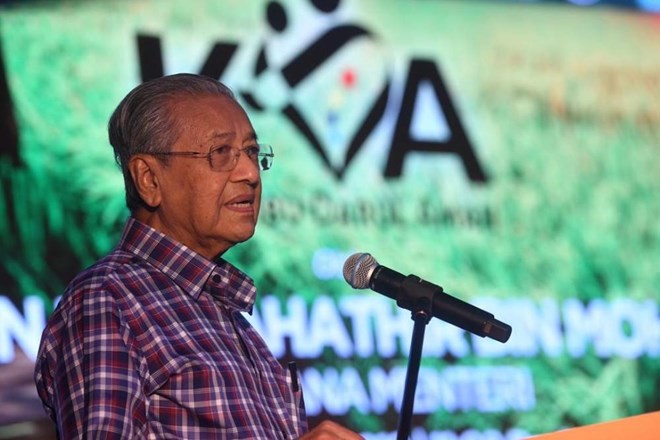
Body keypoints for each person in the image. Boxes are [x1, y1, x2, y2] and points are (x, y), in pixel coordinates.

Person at [34, 73, 362, 439]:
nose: (250, 173)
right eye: (221, 153)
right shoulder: (107, 301)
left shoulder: (229, 319)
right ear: (149, 179)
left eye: (252, 152)